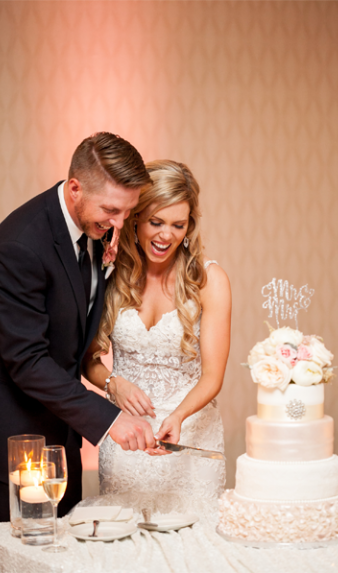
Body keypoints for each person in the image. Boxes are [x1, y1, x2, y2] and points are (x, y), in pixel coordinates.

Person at [0, 132, 157, 522]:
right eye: (112, 211)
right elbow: (28, 361)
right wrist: (109, 418)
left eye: (127, 212)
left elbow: (75, 335)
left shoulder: (95, 230)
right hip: (18, 440)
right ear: (76, 188)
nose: (120, 224)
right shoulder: (19, 246)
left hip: (63, 437)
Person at [82, 159, 231, 521]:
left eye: (178, 225)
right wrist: (114, 383)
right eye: (156, 222)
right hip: (126, 441)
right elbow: (86, 360)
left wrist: (179, 415)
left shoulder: (209, 280)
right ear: (136, 218)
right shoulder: (109, 275)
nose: (166, 236)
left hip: (189, 437)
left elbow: (213, 377)